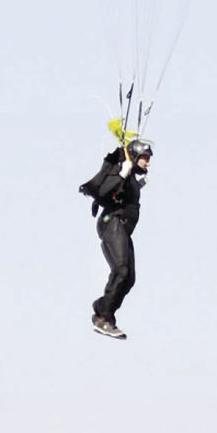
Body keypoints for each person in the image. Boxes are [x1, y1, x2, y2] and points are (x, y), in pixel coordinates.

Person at [88, 138, 152, 339]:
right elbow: (104, 191)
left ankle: (104, 309)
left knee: (129, 278)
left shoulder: (131, 177)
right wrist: (122, 173)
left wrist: (135, 185)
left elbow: (125, 197)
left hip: (122, 229)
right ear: (134, 156)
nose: (148, 163)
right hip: (112, 223)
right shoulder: (120, 170)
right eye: (144, 158)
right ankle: (102, 317)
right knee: (121, 270)